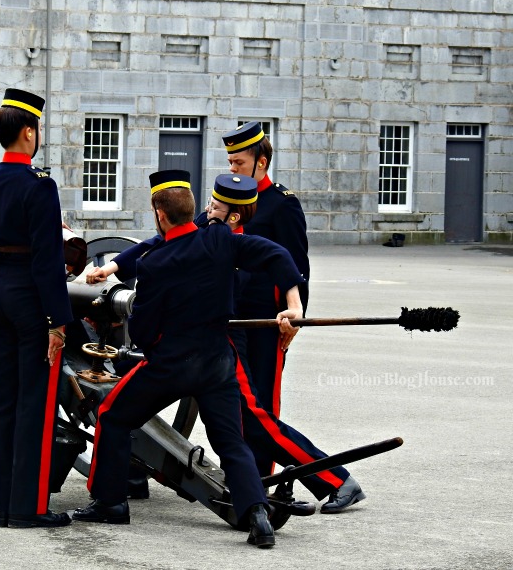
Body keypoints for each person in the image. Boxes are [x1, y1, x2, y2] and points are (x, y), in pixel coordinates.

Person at [87, 162, 363, 513]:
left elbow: (291, 260)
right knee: (244, 423)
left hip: (254, 327)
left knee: (253, 418)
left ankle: (333, 479)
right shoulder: (214, 225)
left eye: (215, 207)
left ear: (234, 215)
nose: (207, 210)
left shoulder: (279, 207)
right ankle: (266, 492)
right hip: (221, 332)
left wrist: (296, 309)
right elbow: (163, 239)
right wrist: (112, 267)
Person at [73, 170, 306, 549]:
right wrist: (293, 304)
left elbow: (145, 331)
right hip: (217, 360)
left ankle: (110, 502)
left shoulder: (155, 263)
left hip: (170, 364)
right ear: (194, 210)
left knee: (112, 416)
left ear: (160, 215)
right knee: (231, 441)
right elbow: (276, 254)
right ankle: (258, 515)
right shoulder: (220, 240)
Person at [221, 122, 363, 513]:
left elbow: (298, 266)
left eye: (240, 161)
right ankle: (255, 482)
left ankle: (307, 480)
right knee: (244, 407)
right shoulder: (232, 201)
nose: (233, 168)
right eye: (229, 161)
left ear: (261, 162)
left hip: (270, 319)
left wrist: (297, 317)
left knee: (262, 407)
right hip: (234, 317)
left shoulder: (282, 204)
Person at [0, 88, 73, 529]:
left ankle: (1, 507)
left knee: (2, 400)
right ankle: (28, 508)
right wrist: (58, 320)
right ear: (29, 133)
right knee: (35, 402)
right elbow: (49, 261)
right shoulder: (40, 186)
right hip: (31, 299)